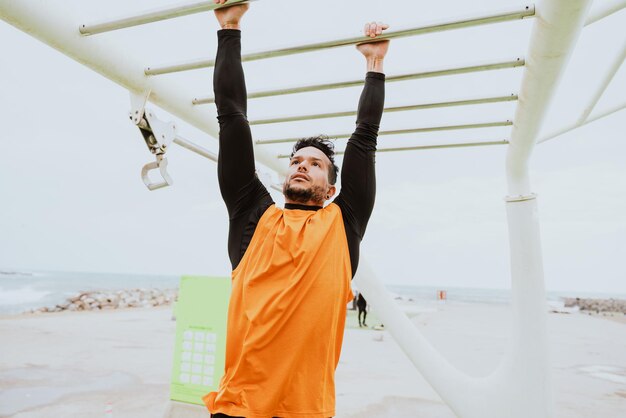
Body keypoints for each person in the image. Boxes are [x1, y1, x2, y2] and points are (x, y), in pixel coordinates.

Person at [203, 1, 389, 417]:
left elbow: (365, 138)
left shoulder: (343, 223)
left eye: (315, 163)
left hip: (307, 410)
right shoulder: (252, 215)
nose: (302, 164)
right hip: (237, 408)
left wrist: (374, 66)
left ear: (332, 188)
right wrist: (229, 30)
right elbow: (231, 117)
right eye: (296, 161)